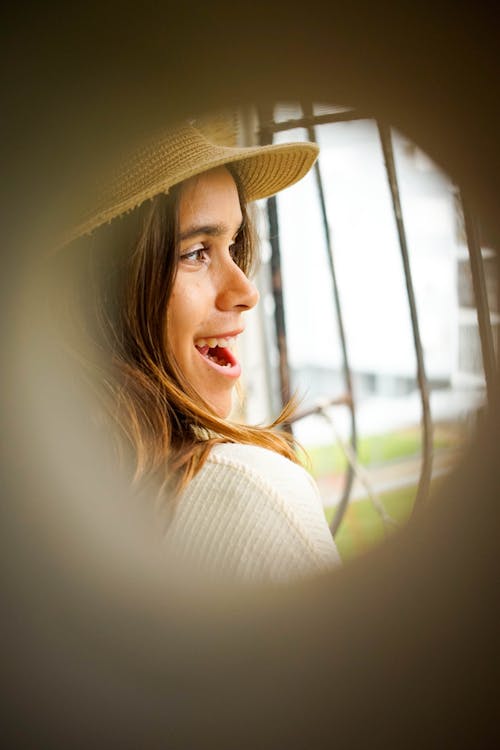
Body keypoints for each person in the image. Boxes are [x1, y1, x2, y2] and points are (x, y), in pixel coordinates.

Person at [58, 120, 340, 582]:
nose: (245, 290)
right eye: (195, 252)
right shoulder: (252, 496)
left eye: (232, 245)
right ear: (100, 295)